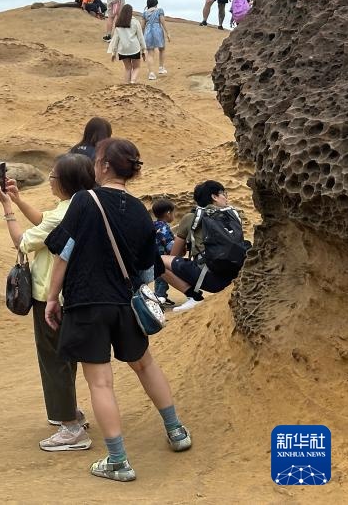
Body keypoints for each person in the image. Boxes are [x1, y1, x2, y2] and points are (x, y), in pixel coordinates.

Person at [44, 138, 192, 482]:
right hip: (126, 303)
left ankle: (118, 461)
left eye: (97, 159)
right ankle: (176, 431)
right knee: (145, 364)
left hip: (87, 303)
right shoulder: (140, 210)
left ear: (105, 165)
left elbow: (63, 253)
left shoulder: (84, 200)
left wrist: (52, 298)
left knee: (100, 383)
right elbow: (147, 268)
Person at [0, 153, 97, 452]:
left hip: (49, 296)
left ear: (64, 182)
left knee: (53, 360)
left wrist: (7, 209)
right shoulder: (83, 207)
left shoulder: (61, 214)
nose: (50, 181)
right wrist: (18, 199)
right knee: (67, 357)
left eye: (53, 177)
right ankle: (69, 411)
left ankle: (70, 426)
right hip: (77, 294)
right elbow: (44, 221)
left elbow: (23, 242)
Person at [162, 180, 243, 313]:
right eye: (223, 193)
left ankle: (194, 297)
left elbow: (174, 255)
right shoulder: (233, 216)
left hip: (209, 279)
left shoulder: (191, 218)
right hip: (237, 277)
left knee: (157, 260)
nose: (226, 197)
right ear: (214, 196)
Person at [107, 4, 146, 84]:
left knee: (128, 68)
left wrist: (113, 52)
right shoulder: (135, 22)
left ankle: (127, 85)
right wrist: (144, 49)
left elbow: (116, 39)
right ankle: (133, 82)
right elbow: (140, 37)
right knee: (136, 67)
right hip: (134, 48)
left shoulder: (118, 23)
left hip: (123, 50)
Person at [151, 198, 176, 307]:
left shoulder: (155, 224)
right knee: (163, 278)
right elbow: (169, 244)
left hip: (155, 257)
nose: (174, 215)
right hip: (162, 258)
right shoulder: (163, 227)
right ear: (168, 213)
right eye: (173, 212)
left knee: (159, 278)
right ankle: (160, 297)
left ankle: (161, 296)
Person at [140, 0, 171, 80]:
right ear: (156, 3)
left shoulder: (145, 13)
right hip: (157, 31)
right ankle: (161, 68)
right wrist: (167, 33)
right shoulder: (159, 10)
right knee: (162, 49)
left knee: (150, 53)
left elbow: (142, 27)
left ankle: (151, 73)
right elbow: (163, 22)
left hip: (148, 32)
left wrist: (141, 37)